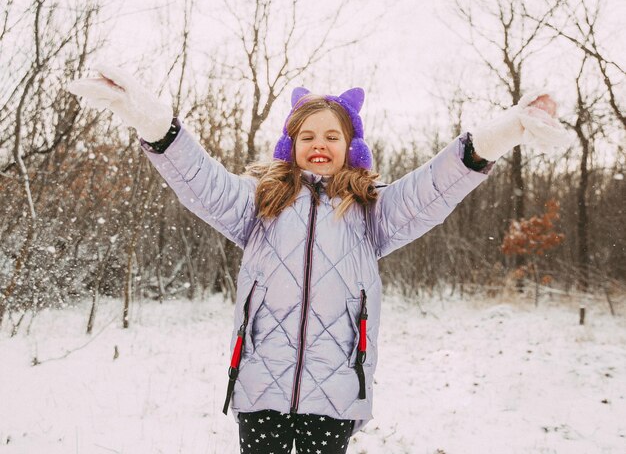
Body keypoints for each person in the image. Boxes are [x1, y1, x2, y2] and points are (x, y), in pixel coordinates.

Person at [68, 64, 571, 454]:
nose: (319, 145)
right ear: (291, 145)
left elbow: (432, 187)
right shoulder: (259, 202)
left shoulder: (371, 209)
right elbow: (199, 178)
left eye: (332, 136)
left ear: (350, 146)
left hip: (336, 387)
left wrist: (504, 131)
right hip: (262, 382)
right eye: (307, 136)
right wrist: (152, 120)